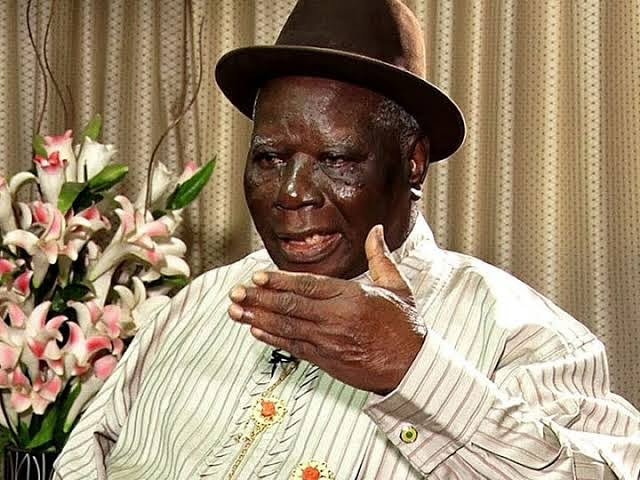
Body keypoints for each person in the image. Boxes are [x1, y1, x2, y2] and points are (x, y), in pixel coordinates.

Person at [55, 0, 640, 479]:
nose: (290, 193)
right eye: (269, 158)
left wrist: (414, 372)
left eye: (335, 159)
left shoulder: (526, 335)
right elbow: (82, 462)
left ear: (413, 163)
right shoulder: (196, 307)